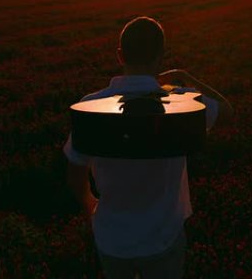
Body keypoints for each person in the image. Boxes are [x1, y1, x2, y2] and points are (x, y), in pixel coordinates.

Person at [63, 16, 233, 279]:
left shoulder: (90, 105)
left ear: (120, 56)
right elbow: (228, 112)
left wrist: (89, 203)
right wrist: (185, 78)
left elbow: (75, 171)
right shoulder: (184, 104)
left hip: (112, 237)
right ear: (161, 56)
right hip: (164, 236)